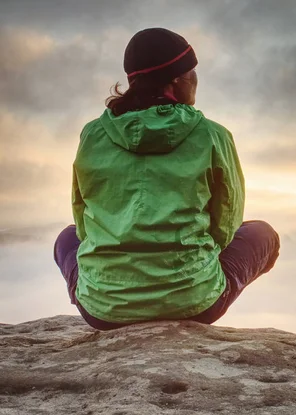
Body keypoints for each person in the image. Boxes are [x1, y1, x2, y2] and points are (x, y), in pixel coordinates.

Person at [53, 28, 280, 331]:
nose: (197, 81)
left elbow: (81, 219)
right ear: (177, 80)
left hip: (103, 311)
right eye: (193, 73)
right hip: (196, 304)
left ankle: (103, 292)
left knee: (66, 239)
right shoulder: (213, 135)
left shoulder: (92, 134)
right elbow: (226, 223)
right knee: (262, 234)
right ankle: (186, 292)